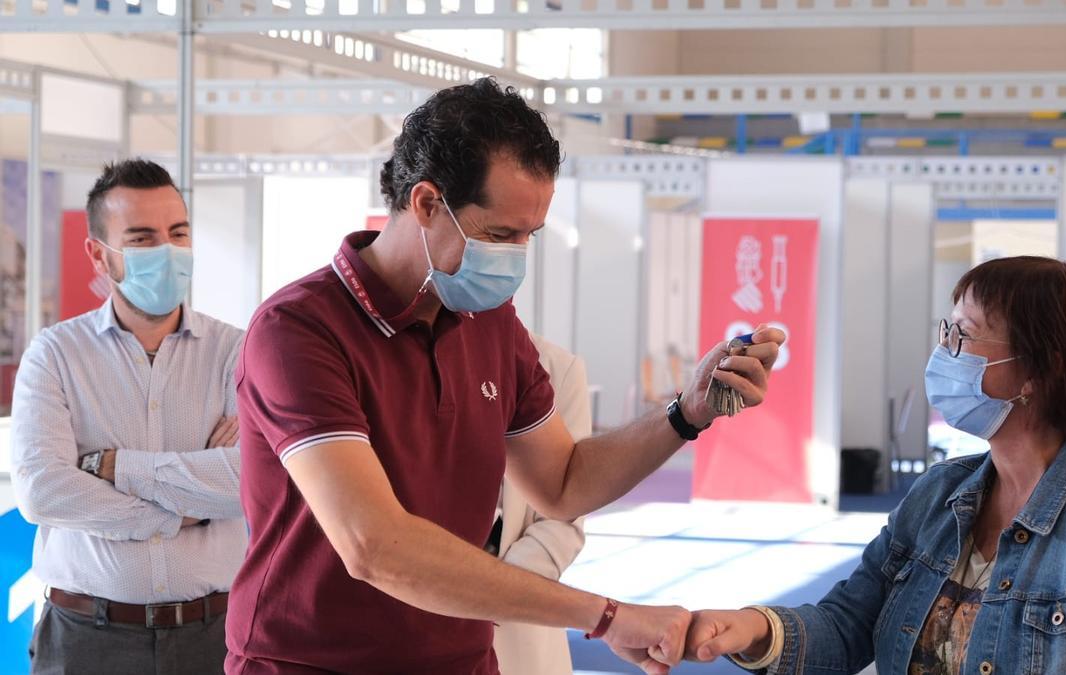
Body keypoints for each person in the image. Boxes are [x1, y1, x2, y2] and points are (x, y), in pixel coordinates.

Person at [226, 77, 786, 675]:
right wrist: (605, 616)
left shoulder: (488, 320)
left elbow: (563, 482)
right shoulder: (300, 330)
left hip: (462, 659)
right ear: (425, 203)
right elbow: (374, 546)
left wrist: (686, 412)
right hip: (311, 663)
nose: (516, 256)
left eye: (529, 236)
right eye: (499, 234)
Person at [685, 256, 1066, 675]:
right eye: (945, 331)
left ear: (1041, 369)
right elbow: (847, 626)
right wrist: (750, 628)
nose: (942, 353)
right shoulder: (939, 494)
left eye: (963, 337)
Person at [10, 159, 246, 675]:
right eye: (141, 240)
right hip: (85, 640)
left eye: (178, 233)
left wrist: (115, 468)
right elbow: (43, 490)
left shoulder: (238, 351)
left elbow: (248, 482)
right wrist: (181, 509)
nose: (168, 251)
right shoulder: (55, 355)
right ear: (99, 255)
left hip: (215, 636)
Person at [492, 333, 591, 675]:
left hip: (514, 615)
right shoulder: (395, 356)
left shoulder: (557, 368)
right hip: (409, 608)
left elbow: (565, 516)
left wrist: (494, 589)